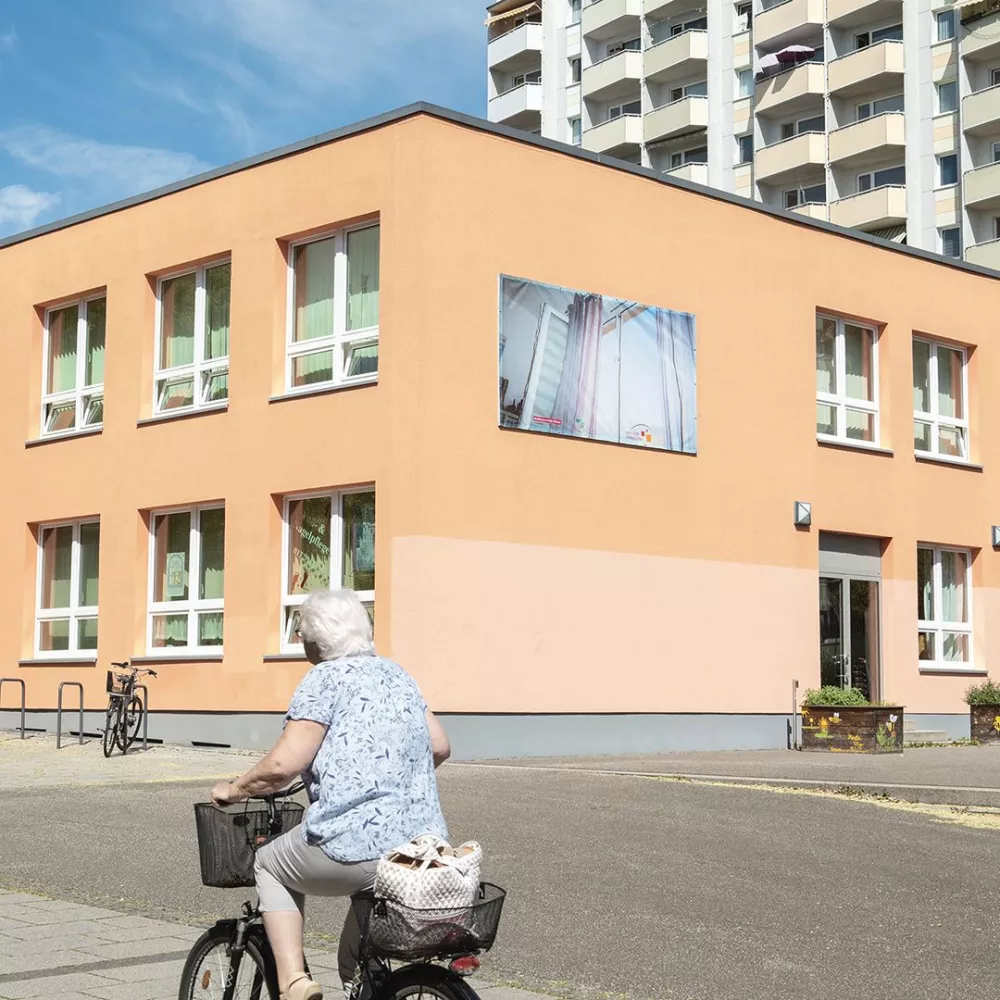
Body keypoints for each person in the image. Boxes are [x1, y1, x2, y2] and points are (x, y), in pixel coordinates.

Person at [210, 588, 451, 1000]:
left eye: (302, 631)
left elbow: (282, 767)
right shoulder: (397, 674)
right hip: (420, 847)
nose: (300, 638)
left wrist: (234, 789)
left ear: (316, 639)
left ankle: (293, 982)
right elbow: (440, 746)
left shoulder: (323, 679)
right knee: (354, 961)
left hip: (355, 845)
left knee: (269, 863)